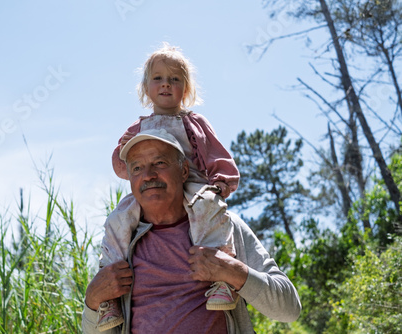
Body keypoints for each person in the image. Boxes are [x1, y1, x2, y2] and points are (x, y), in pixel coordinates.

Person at [82, 129, 301, 334]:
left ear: (184, 171)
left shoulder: (223, 227)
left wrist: (234, 272)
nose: (148, 175)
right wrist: (92, 301)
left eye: (159, 162)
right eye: (137, 168)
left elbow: (289, 309)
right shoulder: (121, 242)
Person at [97, 42, 241, 331]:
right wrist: (123, 151)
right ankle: (107, 298)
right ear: (146, 88)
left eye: (175, 79)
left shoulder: (194, 123)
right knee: (117, 219)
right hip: (152, 194)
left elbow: (216, 153)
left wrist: (220, 182)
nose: (166, 84)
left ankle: (221, 282)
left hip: (193, 187)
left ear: (185, 89)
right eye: (158, 78)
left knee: (211, 212)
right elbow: (122, 165)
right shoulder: (138, 128)